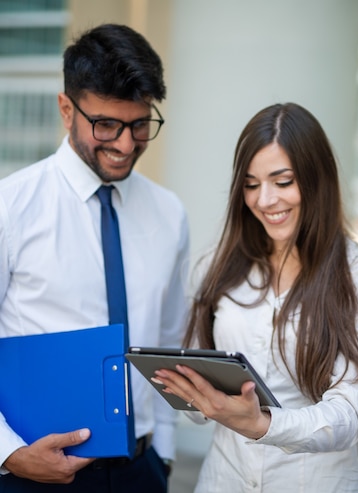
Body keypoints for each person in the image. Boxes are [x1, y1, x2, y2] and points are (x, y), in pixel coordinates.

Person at [152, 102, 358, 492]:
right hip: (222, 481)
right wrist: (186, 389)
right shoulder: (215, 268)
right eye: (251, 184)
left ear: (317, 179)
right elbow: (198, 411)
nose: (264, 200)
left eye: (282, 182)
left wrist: (260, 423)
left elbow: (347, 416)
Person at [0, 24, 189, 492]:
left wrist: (162, 452)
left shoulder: (170, 213)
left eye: (140, 124)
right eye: (106, 124)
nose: (126, 145)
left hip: (141, 472)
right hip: (34, 472)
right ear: (67, 110)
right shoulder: (10, 207)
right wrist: (9, 453)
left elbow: (170, 341)